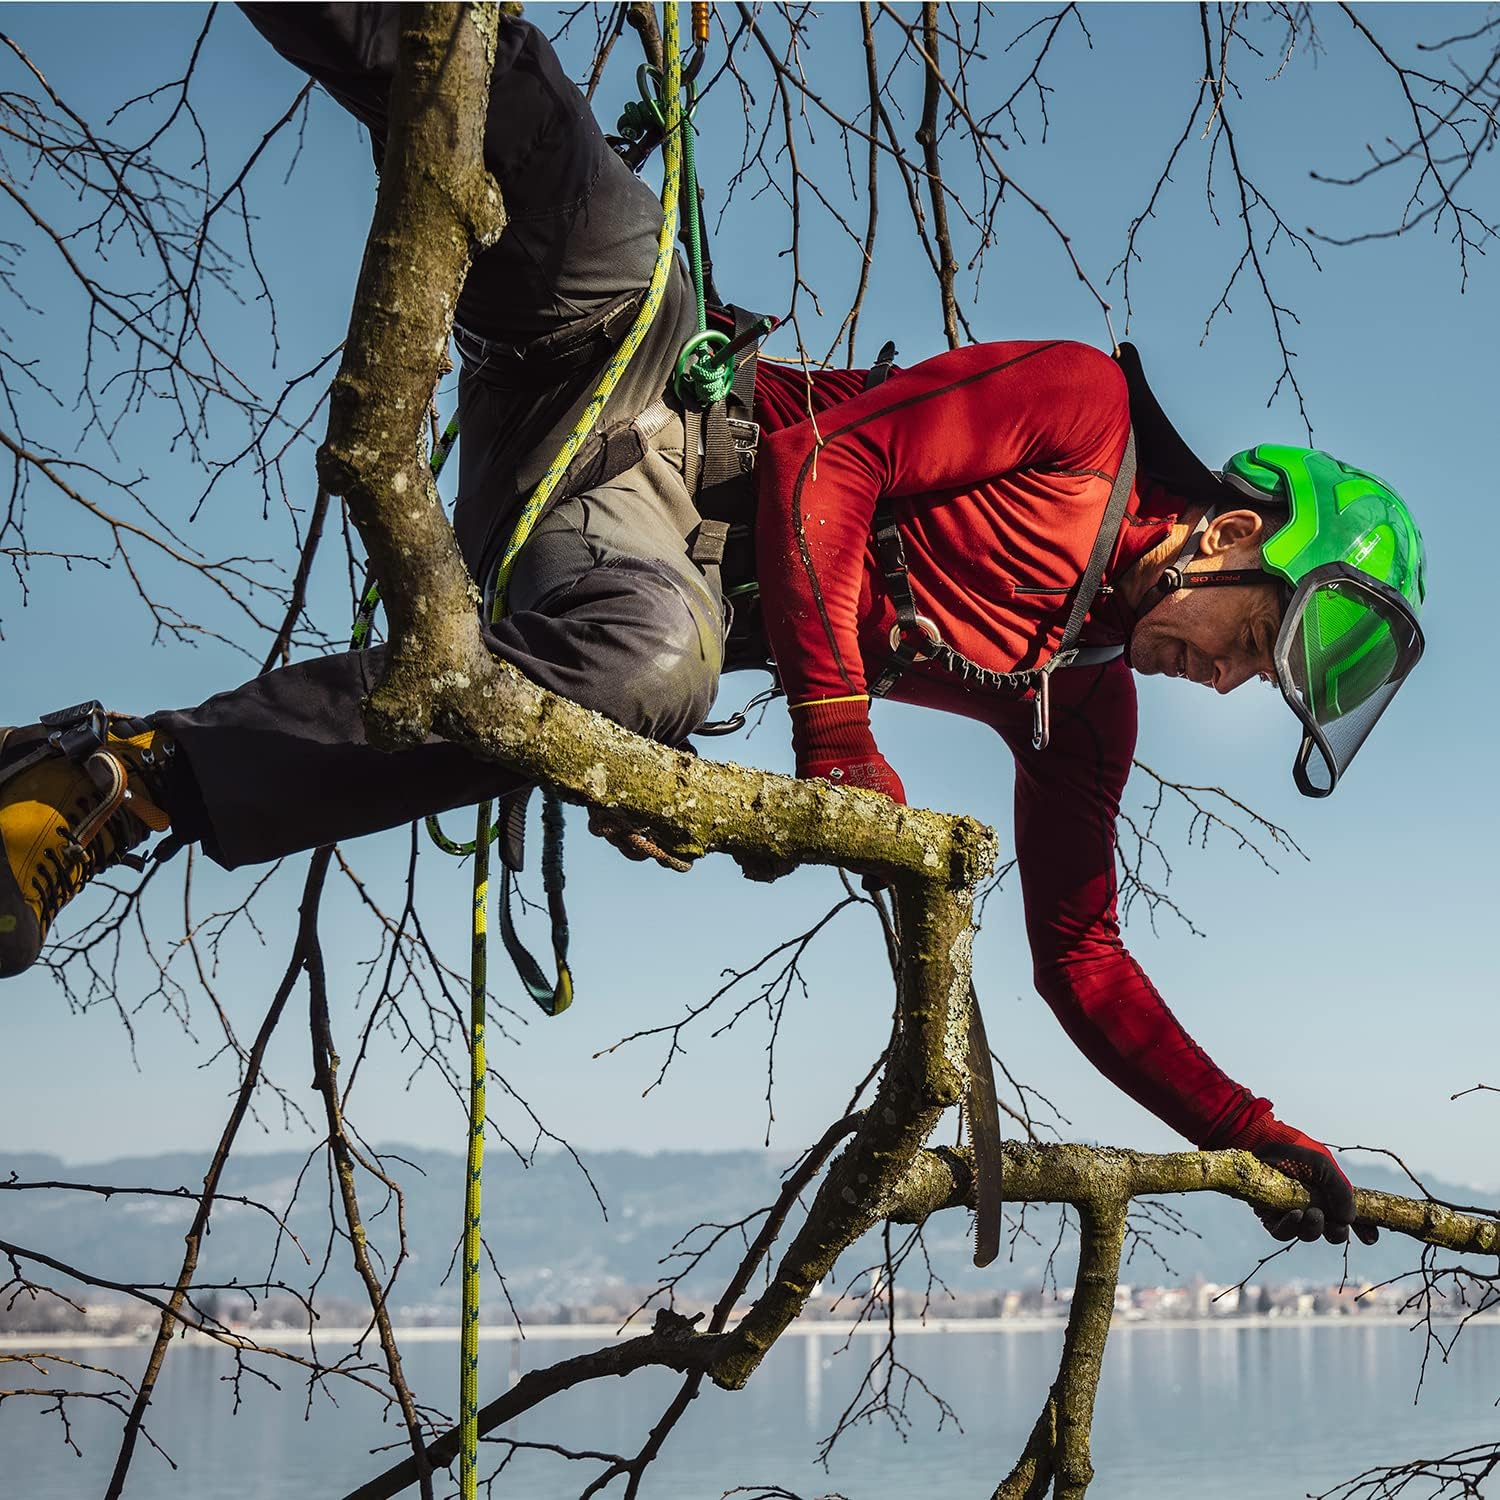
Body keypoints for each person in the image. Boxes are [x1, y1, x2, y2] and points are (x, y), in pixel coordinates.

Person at [0, 5, 1424, 1247]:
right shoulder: (1078, 410)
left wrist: (1250, 1130)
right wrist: (838, 733)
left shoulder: (1079, 703)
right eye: (1260, 644)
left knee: (650, 675)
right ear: (1233, 534)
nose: (1234, 683)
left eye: (1264, 684)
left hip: (621, 557)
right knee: (467, 68)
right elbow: (830, 464)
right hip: (642, 369)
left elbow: (1085, 957)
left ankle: (124, 775)